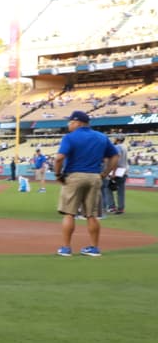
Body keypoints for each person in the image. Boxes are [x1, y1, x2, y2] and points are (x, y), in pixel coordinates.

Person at [52, 110, 118, 257]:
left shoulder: (70, 137)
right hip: (95, 176)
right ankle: (94, 248)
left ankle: (66, 248)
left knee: (69, 213)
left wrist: (58, 174)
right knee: (91, 214)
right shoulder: (101, 137)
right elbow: (115, 156)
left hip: (75, 175)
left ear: (78, 122)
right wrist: (105, 174)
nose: (68, 124)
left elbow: (59, 158)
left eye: (70, 122)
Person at [104, 137, 129, 215]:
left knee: (107, 188)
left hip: (117, 171)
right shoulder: (125, 147)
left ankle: (111, 207)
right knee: (121, 191)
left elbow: (116, 159)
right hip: (124, 170)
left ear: (117, 140)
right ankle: (121, 208)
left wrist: (113, 172)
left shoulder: (117, 147)